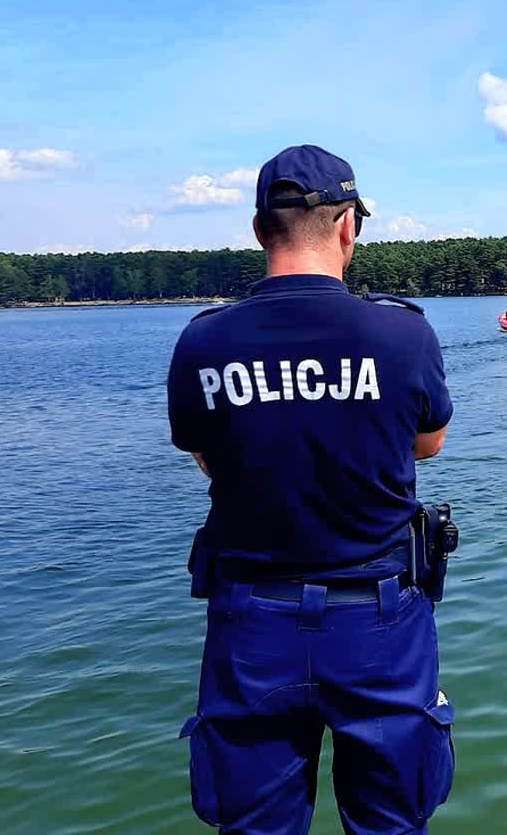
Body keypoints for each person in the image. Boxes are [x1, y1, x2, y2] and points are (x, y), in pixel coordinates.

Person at [167, 145, 456, 835]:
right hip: (379, 619)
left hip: (251, 622)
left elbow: (206, 457)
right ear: (348, 225)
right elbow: (428, 444)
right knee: (391, 822)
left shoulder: (203, 342)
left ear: (258, 229)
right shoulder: (402, 333)